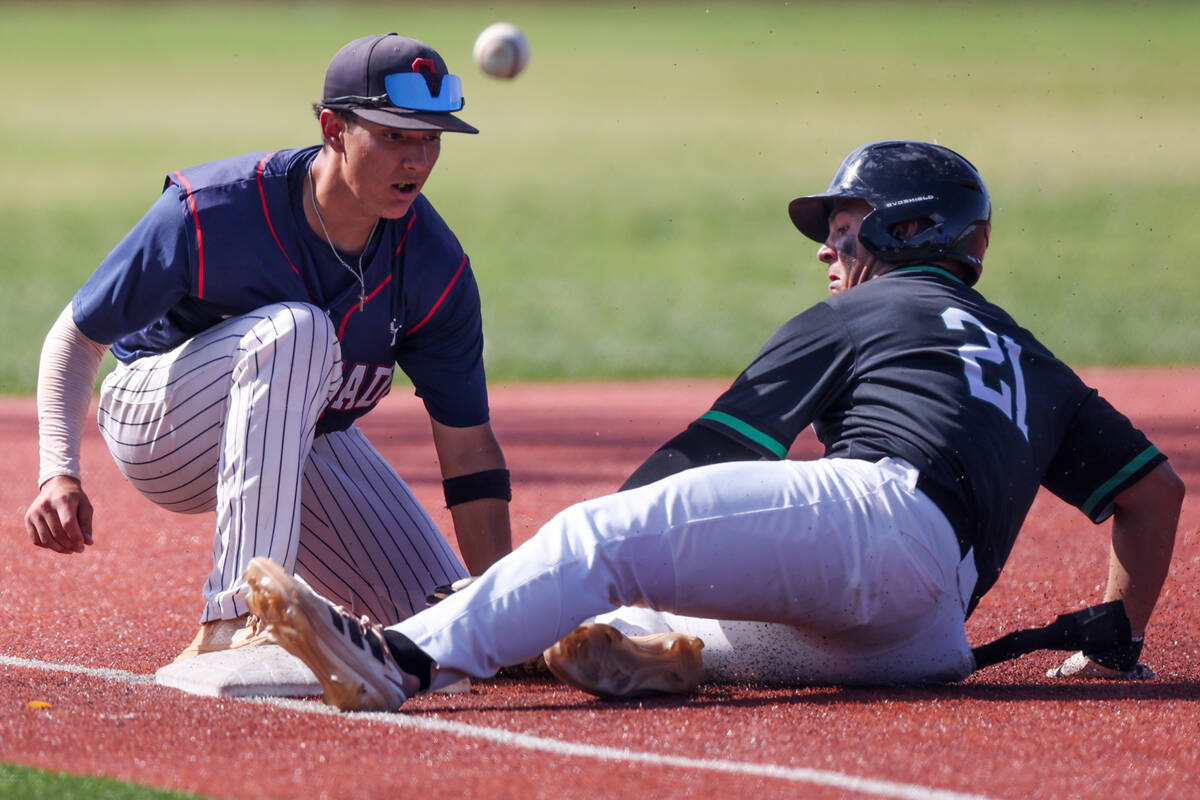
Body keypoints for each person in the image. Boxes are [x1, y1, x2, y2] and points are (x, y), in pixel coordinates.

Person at [242, 140, 1184, 711]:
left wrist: (594, 540)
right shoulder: (1029, 354)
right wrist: (1114, 642)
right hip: (928, 634)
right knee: (640, 619)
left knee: (600, 543)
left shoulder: (869, 310)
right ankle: (622, 653)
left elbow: (717, 449)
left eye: (848, 225)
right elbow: (1152, 491)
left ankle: (403, 660)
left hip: (878, 525)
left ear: (906, 232)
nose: (827, 243)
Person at [23, 33, 514, 663]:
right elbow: (79, 332)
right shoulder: (215, 211)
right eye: (394, 135)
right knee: (300, 330)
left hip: (293, 438)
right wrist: (59, 471)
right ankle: (236, 618)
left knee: (448, 625)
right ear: (334, 129)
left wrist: (508, 605)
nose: (417, 159)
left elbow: (469, 447)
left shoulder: (433, 267)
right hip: (157, 423)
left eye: (431, 137)